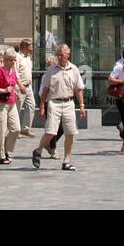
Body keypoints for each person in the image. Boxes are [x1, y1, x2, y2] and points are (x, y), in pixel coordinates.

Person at [32, 43, 86, 171]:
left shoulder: (74, 69)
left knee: (70, 132)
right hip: (54, 102)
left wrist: (82, 105)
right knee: (51, 131)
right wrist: (42, 106)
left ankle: (66, 161)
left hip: (69, 103)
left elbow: (78, 89)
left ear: (68, 55)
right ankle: (38, 150)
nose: (60, 57)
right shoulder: (51, 70)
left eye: (63, 55)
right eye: (58, 55)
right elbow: (45, 89)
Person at [0, 46, 21, 165]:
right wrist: (3, 90)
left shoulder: (13, 71)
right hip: (0, 104)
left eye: (14, 60)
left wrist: (16, 93)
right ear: (5, 60)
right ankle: (1, 155)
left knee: (16, 129)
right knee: (1, 130)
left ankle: (6, 148)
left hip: (11, 103)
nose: (13, 62)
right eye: (11, 60)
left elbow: (12, 86)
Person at [15, 39, 36, 136]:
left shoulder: (28, 57)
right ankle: (16, 129)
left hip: (28, 86)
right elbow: (15, 73)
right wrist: (20, 85)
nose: (32, 48)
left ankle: (26, 128)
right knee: (17, 108)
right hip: (20, 86)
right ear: (25, 47)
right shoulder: (17, 57)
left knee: (31, 105)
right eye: (30, 46)